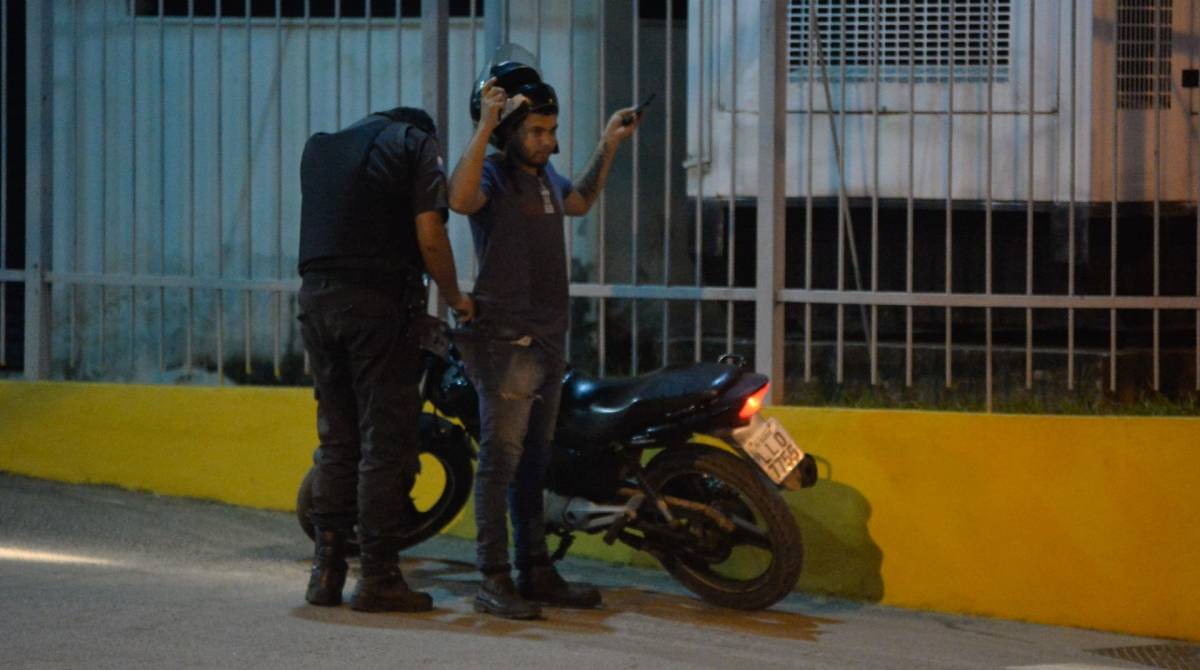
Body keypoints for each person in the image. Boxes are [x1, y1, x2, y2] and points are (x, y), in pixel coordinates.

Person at [447, 51, 642, 619]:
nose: (547, 141)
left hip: (547, 340)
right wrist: (485, 125)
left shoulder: (542, 178)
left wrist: (609, 141)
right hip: (505, 343)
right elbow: (458, 202)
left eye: (552, 131)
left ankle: (535, 570)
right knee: (501, 463)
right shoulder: (490, 175)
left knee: (534, 462)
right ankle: (493, 578)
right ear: (509, 130)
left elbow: (577, 201)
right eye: (536, 131)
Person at [297, 106, 474, 612]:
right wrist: (456, 296)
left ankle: (326, 574)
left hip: (316, 303)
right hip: (376, 307)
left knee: (338, 439)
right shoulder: (414, 144)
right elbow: (430, 232)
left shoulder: (321, 147)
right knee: (386, 441)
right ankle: (378, 576)